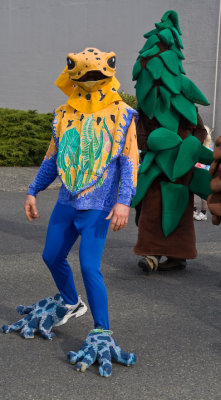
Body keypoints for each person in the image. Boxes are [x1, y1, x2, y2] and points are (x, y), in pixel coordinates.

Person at [4, 48, 138, 376]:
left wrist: (123, 201)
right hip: (68, 199)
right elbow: (53, 158)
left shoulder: (122, 114)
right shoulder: (64, 113)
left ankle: (102, 330)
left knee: (90, 266)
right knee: (51, 256)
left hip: (100, 205)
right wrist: (33, 190)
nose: (91, 77)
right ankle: (69, 302)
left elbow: (129, 160)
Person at [131, 10, 213, 273]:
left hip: (180, 166)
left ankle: (177, 255)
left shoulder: (184, 98)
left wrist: (186, 148)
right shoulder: (147, 106)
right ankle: (153, 253)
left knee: (177, 209)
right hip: (157, 163)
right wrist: (149, 144)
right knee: (151, 208)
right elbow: (140, 133)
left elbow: (199, 130)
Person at [194, 126, 213, 221]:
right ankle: (194, 210)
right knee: (191, 191)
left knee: (203, 196)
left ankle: (203, 213)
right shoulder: (197, 147)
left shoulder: (209, 149)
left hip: (205, 174)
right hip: (195, 173)